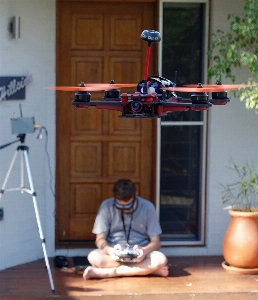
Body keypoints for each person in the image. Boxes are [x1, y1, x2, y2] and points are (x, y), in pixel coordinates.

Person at [83, 179, 168, 280]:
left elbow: (156, 242)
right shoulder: (106, 206)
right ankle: (149, 271)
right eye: (119, 206)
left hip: (140, 255)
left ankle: (106, 273)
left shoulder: (147, 207)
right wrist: (110, 250)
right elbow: (99, 240)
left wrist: (144, 251)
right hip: (114, 255)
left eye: (128, 205)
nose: (124, 209)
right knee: (93, 257)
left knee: (160, 259)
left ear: (135, 195)